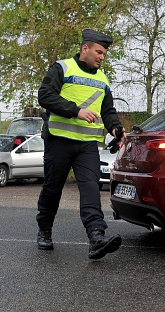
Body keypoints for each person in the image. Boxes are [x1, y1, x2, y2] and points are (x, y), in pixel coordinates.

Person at [36, 29, 124, 260]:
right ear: (85, 48)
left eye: (104, 54)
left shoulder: (103, 80)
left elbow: (108, 111)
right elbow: (45, 96)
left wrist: (115, 128)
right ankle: (44, 229)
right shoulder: (62, 68)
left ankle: (97, 237)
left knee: (91, 189)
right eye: (99, 52)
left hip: (86, 146)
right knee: (52, 189)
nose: (102, 57)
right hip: (59, 141)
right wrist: (76, 111)